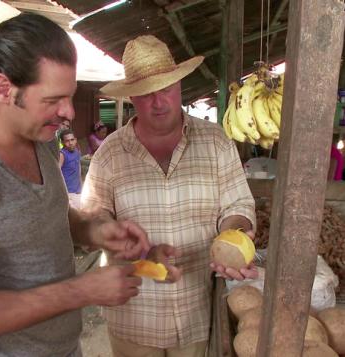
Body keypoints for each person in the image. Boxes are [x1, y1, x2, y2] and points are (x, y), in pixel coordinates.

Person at [0, 13, 152, 357]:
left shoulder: (41, 139)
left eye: (70, 96)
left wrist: (96, 230)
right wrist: (80, 291)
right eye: (53, 100)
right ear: (5, 89)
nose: (68, 112)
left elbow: (46, 213)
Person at [82, 35, 257, 357]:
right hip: (133, 314)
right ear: (132, 96)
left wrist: (234, 236)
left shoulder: (216, 142)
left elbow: (238, 205)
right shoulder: (109, 154)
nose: (158, 102)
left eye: (165, 89)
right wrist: (111, 231)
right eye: (146, 94)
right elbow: (94, 214)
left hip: (196, 312)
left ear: (179, 86)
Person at [59, 129, 82, 209]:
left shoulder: (77, 151)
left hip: (78, 190)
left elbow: (78, 167)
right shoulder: (62, 154)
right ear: (62, 142)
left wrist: (81, 184)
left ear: (75, 140)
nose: (71, 143)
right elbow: (57, 173)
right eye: (67, 141)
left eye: (72, 140)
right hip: (68, 192)